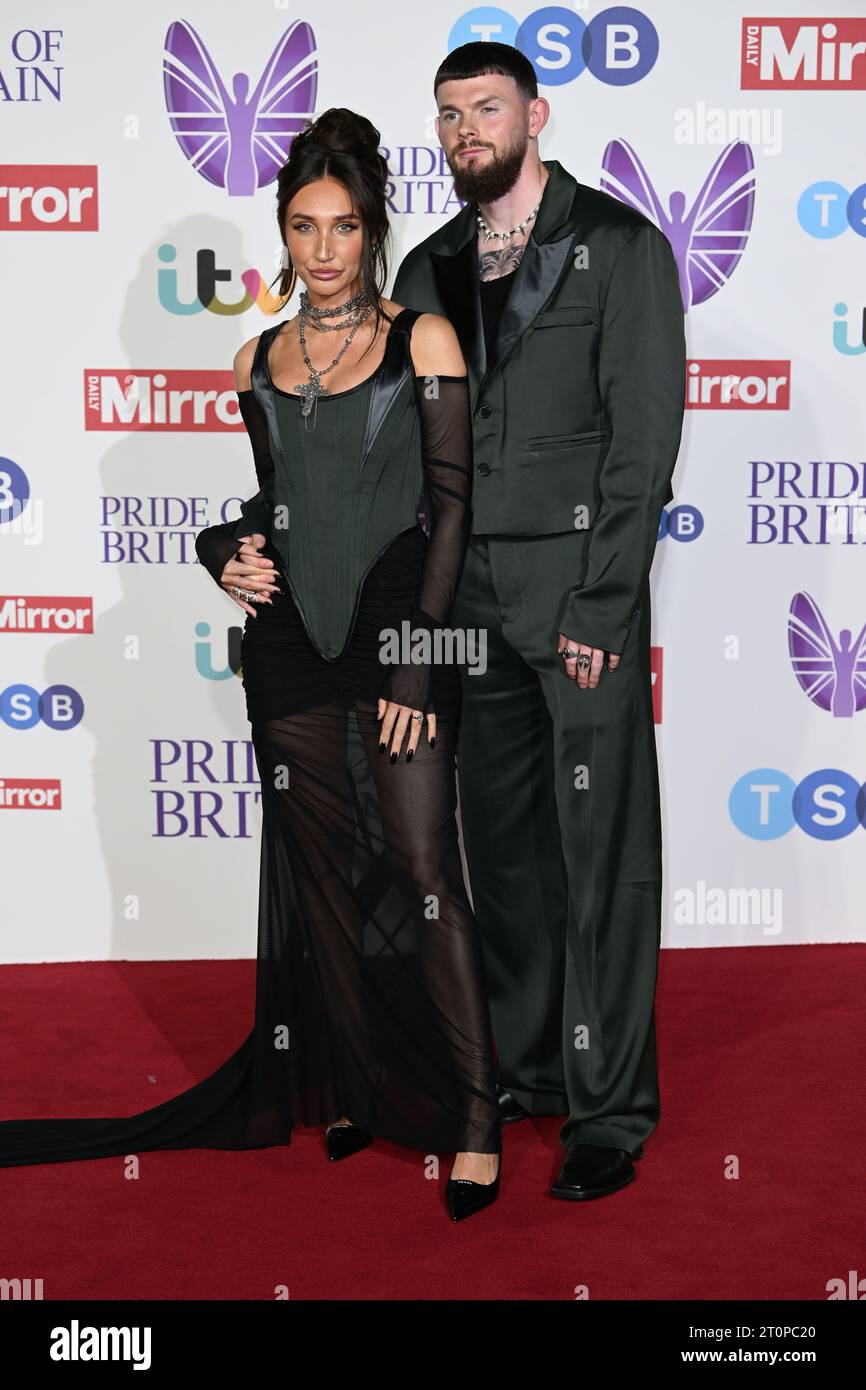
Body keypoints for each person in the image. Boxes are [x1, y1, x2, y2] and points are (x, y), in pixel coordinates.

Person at [0, 109, 501, 1224]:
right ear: (280, 232)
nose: (323, 248)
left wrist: (419, 661)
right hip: (284, 650)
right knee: (320, 877)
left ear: (373, 230)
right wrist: (216, 546)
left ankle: (474, 1116)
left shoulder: (423, 338)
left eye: (343, 226)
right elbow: (273, 509)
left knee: (423, 870)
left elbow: (453, 510)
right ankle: (354, 1083)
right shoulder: (253, 359)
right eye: (302, 226)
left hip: (393, 628)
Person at [391, 42, 686, 1201]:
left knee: (601, 856)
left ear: (535, 114)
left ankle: (607, 1111)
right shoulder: (427, 266)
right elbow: (392, 453)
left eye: (488, 108)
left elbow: (641, 442)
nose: (468, 128)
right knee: (504, 851)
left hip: (575, 601)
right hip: (465, 600)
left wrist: (603, 604)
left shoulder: (617, 246)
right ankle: (527, 1067)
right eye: (449, 114)